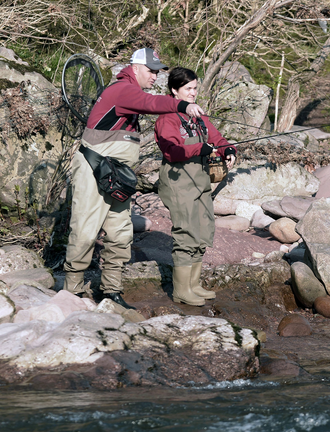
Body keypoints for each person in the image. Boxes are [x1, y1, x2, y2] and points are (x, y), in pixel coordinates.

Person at [63, 48, 206, 310]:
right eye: (151, 71)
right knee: (84, 231)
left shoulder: (132, 91)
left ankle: (111, 291)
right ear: (135, 68)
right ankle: (71, 292)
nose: (155, 76)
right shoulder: (122, 89)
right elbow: (152, 105)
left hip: (117, 173)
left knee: (120, 233)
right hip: (94, 168)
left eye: (158, 72)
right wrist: (183, 104)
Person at [154, 67, 237, 306]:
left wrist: (227, 149)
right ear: (174, 90)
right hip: (178, 181)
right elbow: (171, 151)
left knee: (203, 229)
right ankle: (181, 290)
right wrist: (198, 149)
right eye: (188, 89)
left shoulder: (198, 115)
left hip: (200, 180)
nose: (193, 93)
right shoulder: (166, 118)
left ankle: (194, 285)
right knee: (186, 233)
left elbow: (217, 138)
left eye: (195, 88)